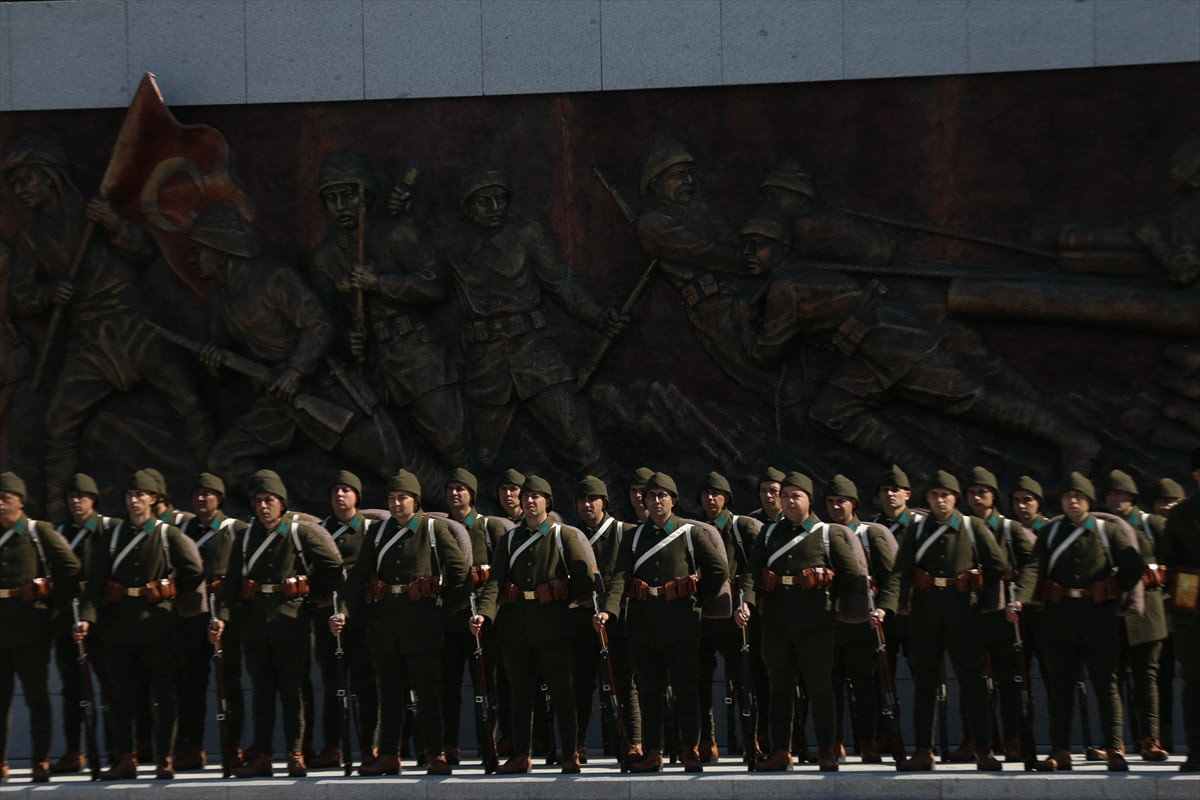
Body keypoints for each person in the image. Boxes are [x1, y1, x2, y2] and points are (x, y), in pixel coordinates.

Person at [737, 212, 1102, 478]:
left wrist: (741, 322)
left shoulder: (787, 287)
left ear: (781, 247)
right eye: (746, 245)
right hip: (867, 351)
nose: (749, 253)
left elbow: (767, 354)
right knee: (832, 410)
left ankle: (1073, 440)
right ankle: (925, 476)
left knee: (973, 401)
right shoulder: (795, 276)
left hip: (895, 342)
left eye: (759, 246)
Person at [2, 136, 211, 519]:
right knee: (58, 423)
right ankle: (57, 516)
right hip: (88, 341)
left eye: (25, 180)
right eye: (13, 185)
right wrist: (51, 294)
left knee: (189, 402)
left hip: (134, 327)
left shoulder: (95, 213)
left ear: (49, 177)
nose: (19, 191)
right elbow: (21, 297)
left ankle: (214, 491)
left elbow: (144, 253)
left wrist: (112, 224)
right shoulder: (34, 236)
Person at [183, 203, 426, 495]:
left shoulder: (275, 279)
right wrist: (214, 362)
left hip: (323, 389)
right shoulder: (219, 305)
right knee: (224, 463)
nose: (193, 259)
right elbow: (225, 375)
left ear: (220, 248)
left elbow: (319, 326)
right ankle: (291, 520)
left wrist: (295, 371)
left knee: (401, 469)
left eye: (199, 249)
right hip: (276, 402)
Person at [442, 168, 624, 472]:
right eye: (484, 202)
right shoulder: (452, 252)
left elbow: (560, 285)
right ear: (468, 210)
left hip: (537, 355)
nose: (495, 208)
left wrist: (600, 317)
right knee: (482, 458)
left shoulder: (527, 235)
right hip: (485, 366)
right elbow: (428, 292)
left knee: (581, 443)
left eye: (501, 200)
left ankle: (613, 515)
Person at [312, 152, 468, 465]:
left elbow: (435, 285)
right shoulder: (325, 257)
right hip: (373, 364)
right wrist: (346, 338)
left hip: (418, 354)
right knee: (394, 452)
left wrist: (379, 282)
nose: (342, 207)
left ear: (366, 197)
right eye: (332, 198)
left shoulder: (398, 234)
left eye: (349, 196)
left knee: (451, 442)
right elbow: (325, 317)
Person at [333, 469, 469, 775]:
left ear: (415, 501)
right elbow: (357, 576)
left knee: (428, 692)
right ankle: (390, 754)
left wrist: (444, 608)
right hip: (384, 623)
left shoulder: (433, 529)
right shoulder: (378, 533)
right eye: (392, 498)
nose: (396, 504)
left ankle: (435, 753)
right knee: (389, 691)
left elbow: (460, 573)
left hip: (423, 623)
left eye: (402, 498)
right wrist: (344, 610)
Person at [1009, 472, 1145, 771]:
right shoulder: (1051, 533)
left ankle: (1113, 748)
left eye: (1079, 497)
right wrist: (1020, 597)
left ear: (1088, 500)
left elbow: (1134, 564)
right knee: (1061, 687)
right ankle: (1061, 750)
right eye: (1068, 496)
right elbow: (1033, 566)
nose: (1073, 501)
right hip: (1060, 618)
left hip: (1099, 617)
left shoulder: (1107, 531)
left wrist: (1113, 587)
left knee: (1106, 685)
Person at [210, 469, 342, 778]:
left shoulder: (300, 533)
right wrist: (222, 619)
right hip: (254, 624)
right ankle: (264, 755)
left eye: (269, 500)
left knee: (292, 690)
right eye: (257, 501)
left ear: (281, 503)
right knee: (261, 692)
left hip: (290, 622)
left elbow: (332, 567)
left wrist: (310, 593)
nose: (263, 506)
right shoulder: (244, 538)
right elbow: (231, 584)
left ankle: (296, 753)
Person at [875, 470, 1008, 771]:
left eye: (945, 495)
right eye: (934, 495)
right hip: (926, 614)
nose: (939, 500)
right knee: (925, 684)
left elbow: (999, 565)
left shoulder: (973, 528)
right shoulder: (918, 530)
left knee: (973, 682)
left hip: (965, 613)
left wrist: (979, 580)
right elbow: (899, 571)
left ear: (955, 498)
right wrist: (887, 605)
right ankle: (924, 750)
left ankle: (983, 749)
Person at [76, 469, 203, 781]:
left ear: (153, 498)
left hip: (158, 624)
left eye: (140, 495)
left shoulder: (167, 534)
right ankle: (125, 758)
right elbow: (96, 582)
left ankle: (163, 758)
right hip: (118, 627)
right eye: (130, 496)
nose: (134, 501)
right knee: (120, 697)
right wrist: (88, 618)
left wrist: (170, 589)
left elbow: (193, 571)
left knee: (163, 695)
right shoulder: (113, 535)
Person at [472, 475, 598, 774]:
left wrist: (562, 593)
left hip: (554, 625)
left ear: (547, 502)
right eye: (526, 496)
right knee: (520, 694)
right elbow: (495, 583)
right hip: (516, 627)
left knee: (562, 694)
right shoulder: (510, 539)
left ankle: (569, 753)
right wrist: (485, 614)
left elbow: (585, 582)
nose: (529, 501)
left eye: (536, 496)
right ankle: (521, 754)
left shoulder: (562, 536)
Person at [604, 471, 728, 773]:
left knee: (687, 691)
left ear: (673, 500)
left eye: (662, 496)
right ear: (644, 501)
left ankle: (690, 750)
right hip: (643, 625)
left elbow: (717, 569)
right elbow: (620, 576)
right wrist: (610, 609)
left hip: (682, 622)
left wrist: (696, 597)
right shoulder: (634, 537)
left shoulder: (690, 533)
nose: (656, 501)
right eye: (651, 496)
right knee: (649, 692)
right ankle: (653, 752)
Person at [738, 471, 862, 772]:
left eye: (796, 496)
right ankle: (781, 751)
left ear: (809, 500)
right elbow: (753, 573)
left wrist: (828, 588)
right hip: (777, 624)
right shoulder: (769, 534)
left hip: (816, 624)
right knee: (779, 689)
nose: (789, 501)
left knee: (820, 689)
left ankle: (826, 750)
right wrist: (747, 603)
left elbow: (852, 576)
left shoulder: (826, 534)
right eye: (785, 496)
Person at [0, 471, 80, 783]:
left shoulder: (37, 531)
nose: (0, 503)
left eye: (6, 498)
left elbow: (70, 567)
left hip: (31, 627)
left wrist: (53, 600)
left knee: (36, 697)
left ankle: (40, 760)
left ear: (20, 501)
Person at [174, 473, 247, 771]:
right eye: (198, 493)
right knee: (191, 683)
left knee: (228, 683)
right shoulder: (180, 532)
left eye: (208, 493)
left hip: (225, 616)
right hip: (191, 614)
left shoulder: (235, 531)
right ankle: (193, 747)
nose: (202, 499)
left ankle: (232, 747)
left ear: (220, 498)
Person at [309, 470, 379, 769]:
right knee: (333, 684)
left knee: (365, 685)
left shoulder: (371, 528)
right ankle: (333, 746)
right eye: (336, 490)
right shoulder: (318, 530)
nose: (340, 495)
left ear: (357, 496)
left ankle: (369, 747)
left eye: (346, 490)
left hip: (363, 618)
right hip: (328, 616)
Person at [569, 475, 641, 763]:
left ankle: (634, 741)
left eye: (592, 499)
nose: (587, 505)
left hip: (619, 617)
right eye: (582, 500)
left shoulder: (625, 532)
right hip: (584, 618)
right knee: (581, 684)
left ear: (604, 503)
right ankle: (577, 744)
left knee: (625, 683)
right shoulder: (572, 536)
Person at [441, 467, 510, 765]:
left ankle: (488, 745)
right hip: (448, 617)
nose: (455, 493)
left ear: (472, 494)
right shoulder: (438, 528)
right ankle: (449, 745)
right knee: (447, 685)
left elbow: (501, 575)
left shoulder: (488, 528)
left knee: (485, 686)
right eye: (451, 488)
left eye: (461, 488)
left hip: (480, 617)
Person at [826, 474, 896, 763]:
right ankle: (836, 742)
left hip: (864, 621)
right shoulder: (823, 533)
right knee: (831, 685)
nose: (835, 507)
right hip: (831, 621)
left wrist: (882, 608)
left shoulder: (870, 534)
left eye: (841, 501)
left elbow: (892, 578)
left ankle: (868, 741)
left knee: (865, 686)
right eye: (830, 502)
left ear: (853, 503)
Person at [1104, 469, 1170, 761]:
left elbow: (1175, 559)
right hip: (1113, 612)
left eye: (1122, 494)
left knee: (1147, 678)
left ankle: (1150, 740)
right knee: (1112, 680)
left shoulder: (1152, 524)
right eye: (1112, 494)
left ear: (1133, 497)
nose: (1117, 499)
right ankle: (1116, 743)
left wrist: (1157, 573)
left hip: (1147, 613)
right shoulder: (1103, 526)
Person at [695, 471, 761, 762]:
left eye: (716, 493)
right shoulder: (693, 529)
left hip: (734, 615)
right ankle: (706, 740)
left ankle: (751, 738)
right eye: (706, 494)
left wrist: (746, 601)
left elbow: (755, 567)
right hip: (701, 614)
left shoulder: (740, 527)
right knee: (699, 681)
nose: (711, 499)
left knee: (743, 680)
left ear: (727, 497)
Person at [49, 473, 111, 775]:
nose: (76, 502)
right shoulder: (60, 532)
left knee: (111, 686)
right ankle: (75, 751)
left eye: (82, 497)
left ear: (93, 500)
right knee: (71, 688)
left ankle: (115, 749)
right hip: (67, 616)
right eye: (72, 497)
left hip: (103, 617)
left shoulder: (108, 530)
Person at [1160, 448, 1200, 771]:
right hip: (1192, 608)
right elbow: (1168, 556)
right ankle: (1197, 752)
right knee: (1194, 680)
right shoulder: (1181, 514)